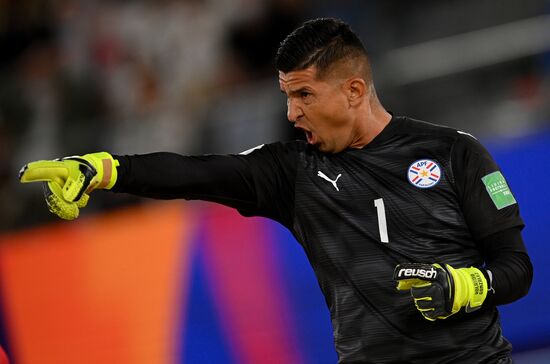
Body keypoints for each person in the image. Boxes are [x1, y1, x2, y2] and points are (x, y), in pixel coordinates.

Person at [19, 18, 532, 363]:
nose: (291, 113)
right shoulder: (292, 174)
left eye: (305, 95)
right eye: (287, 97)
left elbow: (516, 268)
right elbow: (196, 172)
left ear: (354, 90)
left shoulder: (456, 153)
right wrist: (103, 168)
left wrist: (468, 286)